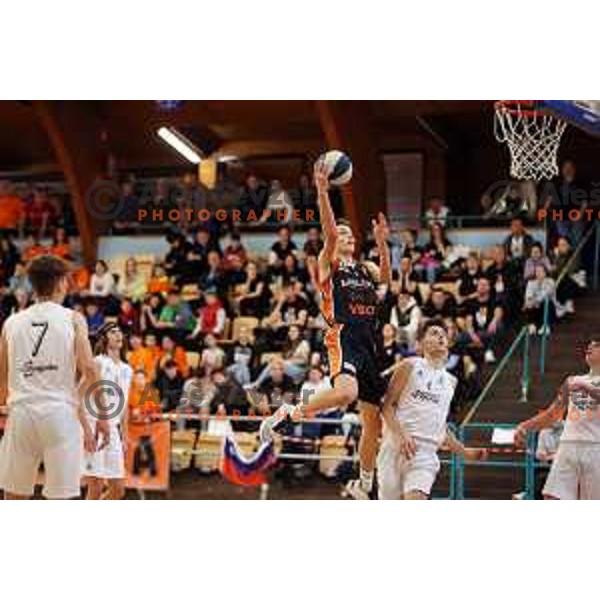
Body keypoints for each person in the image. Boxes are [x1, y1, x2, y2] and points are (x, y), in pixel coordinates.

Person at [260, 159, 392, 500]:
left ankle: (364, 483)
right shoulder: (327, 262)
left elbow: (389, 279)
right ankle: (290, 412)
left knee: (372, 422)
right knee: (346, 393)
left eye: (350, 234)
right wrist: (322, 193)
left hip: (370, 341)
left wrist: (382, 244)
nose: (345, 237)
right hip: (344, 334)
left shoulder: (364, 267)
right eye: (342, 234)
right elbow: (330, 233)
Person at [0, 255, 109, 499]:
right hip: (59, 414)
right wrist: (102, 416)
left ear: (32, 284)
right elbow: (90, 369)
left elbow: (2, 376)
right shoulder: (73, 318)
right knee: (60, 499)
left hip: (21, 413)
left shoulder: (11, 322)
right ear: (61, 282)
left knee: (14, 497)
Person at [377, 319, 486, 499]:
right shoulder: (409, 365)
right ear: (421, 343)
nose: (441, 336)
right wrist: (401, 434)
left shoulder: (451, 382)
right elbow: (387, 407)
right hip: (395, 446)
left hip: (425, 455)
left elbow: (441, 428)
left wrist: (464, 451)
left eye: (443, 334)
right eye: (434, 333)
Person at [515, 338, 600, 499]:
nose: (590, 346)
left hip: (595, 447)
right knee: (551, 497)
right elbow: (552, 414)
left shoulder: (580, 384)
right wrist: (525, 426)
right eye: (589, 345)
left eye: (597, 345)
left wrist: (586, 388)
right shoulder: (572, 381)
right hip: (568, 445)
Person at [83, 323, 133, 500]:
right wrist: (89, 428)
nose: (118, 335)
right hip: (95, 425)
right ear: (104, 338)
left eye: (120, 332)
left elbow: (125, 404)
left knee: (119, 489)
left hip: (113, 429)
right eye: (113, 332)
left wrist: (125, 435)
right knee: (95, 486)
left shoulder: (127, 369)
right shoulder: (97, 362)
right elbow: (83, 396)